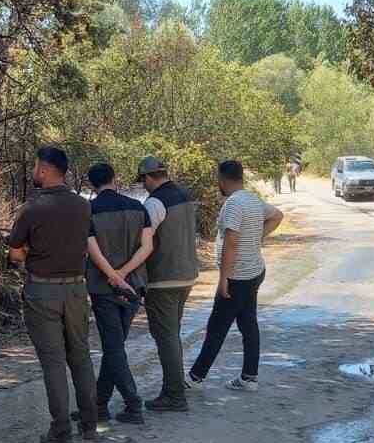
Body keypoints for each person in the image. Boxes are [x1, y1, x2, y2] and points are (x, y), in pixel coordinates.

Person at [8, 146, 99, 443]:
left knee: (53, 362)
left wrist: (32, 251)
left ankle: (61, 432)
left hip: (42, 291)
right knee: (81, 356)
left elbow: (15, 252)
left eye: (36, 167)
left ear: (45, 170)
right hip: (76, 289)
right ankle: (89, 424)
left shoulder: (32, 208)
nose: (34, 172)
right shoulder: (83, 206)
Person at [188, 161, 283, 390]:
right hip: (254, 272)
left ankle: (195, 378)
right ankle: (249, 377)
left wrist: (223, 280)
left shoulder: (233, 204)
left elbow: (230, 242)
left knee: (217, 327)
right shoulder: (251, 199)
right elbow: (277, 215)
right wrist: (257, 237)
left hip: (237, 277)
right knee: (248, 324)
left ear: (222, 179)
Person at [82, 162, 154, 425]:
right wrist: (124, 274)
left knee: (113, 348)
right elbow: (147, 248)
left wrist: (113, 276)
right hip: (134, 286)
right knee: (116, 347)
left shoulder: (89, 211)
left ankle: (133, 404)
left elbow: (93, 251)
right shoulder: (139, 207)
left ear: (92, 185)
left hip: (104, 288)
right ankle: (98, 405)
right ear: (115, 179)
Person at [136, 155, 199, 413]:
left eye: (143, 181)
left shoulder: (155, 203)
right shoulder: (184, 195)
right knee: (172, 335)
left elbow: (145, 242)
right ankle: (174, 389)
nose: (143, 186)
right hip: (186, 275)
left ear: (149, 177)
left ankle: (174, 395)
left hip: (163, 278)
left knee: (166, 337)